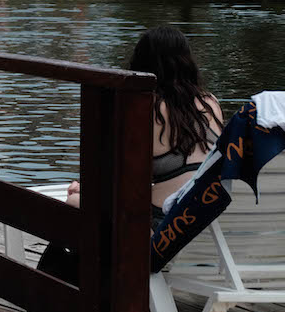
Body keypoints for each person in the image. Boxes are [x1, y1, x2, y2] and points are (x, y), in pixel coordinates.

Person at [66, 27, 222, 218]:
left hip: (161, 225)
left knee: (74, 201)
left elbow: (122, 178)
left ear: (142, 65)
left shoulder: (146, 109)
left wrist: (86, 190)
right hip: (206, 219)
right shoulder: (211, 103)